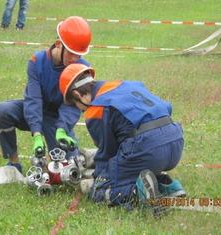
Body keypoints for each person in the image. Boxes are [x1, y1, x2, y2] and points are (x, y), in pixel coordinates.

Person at [59, 63, 186, 213]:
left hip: (149, 147)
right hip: (175, 140)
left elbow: (108, 154)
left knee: (100, 189)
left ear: (77, 95)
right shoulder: (123, 85)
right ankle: (168, 187)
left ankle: (139, 193)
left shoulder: (96, 109)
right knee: (130, 168)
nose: (78, 109)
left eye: (74, 104)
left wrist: (97, 176)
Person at [0, 16, 92, 173]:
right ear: (59, 44)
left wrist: (61, 129)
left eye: (78, 55)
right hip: (35, 111)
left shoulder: (82, 69)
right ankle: (14, 164)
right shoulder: (36, 62)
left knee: (70, 169)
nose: (75, 59)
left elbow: (73, 105)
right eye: (71, 53)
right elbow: (33, 99)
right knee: (1, 112)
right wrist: (37, 133)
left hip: (57, 119)